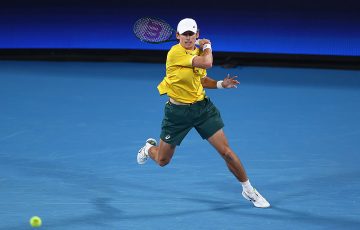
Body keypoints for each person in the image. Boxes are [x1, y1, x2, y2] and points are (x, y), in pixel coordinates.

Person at [137, 18, 270, 208]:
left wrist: (221, 85)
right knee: (162, 160)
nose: (188, 38)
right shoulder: (175, 53)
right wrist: (207, 44)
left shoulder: (197, 51)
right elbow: (207, 62)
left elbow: (201, 79)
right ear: (178, 36)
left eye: (192, 34)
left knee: (227, 153)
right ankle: (148, 148)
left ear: (196, 34)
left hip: (202, 109)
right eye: (185, 34)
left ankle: (249, 190)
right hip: (177, 113)